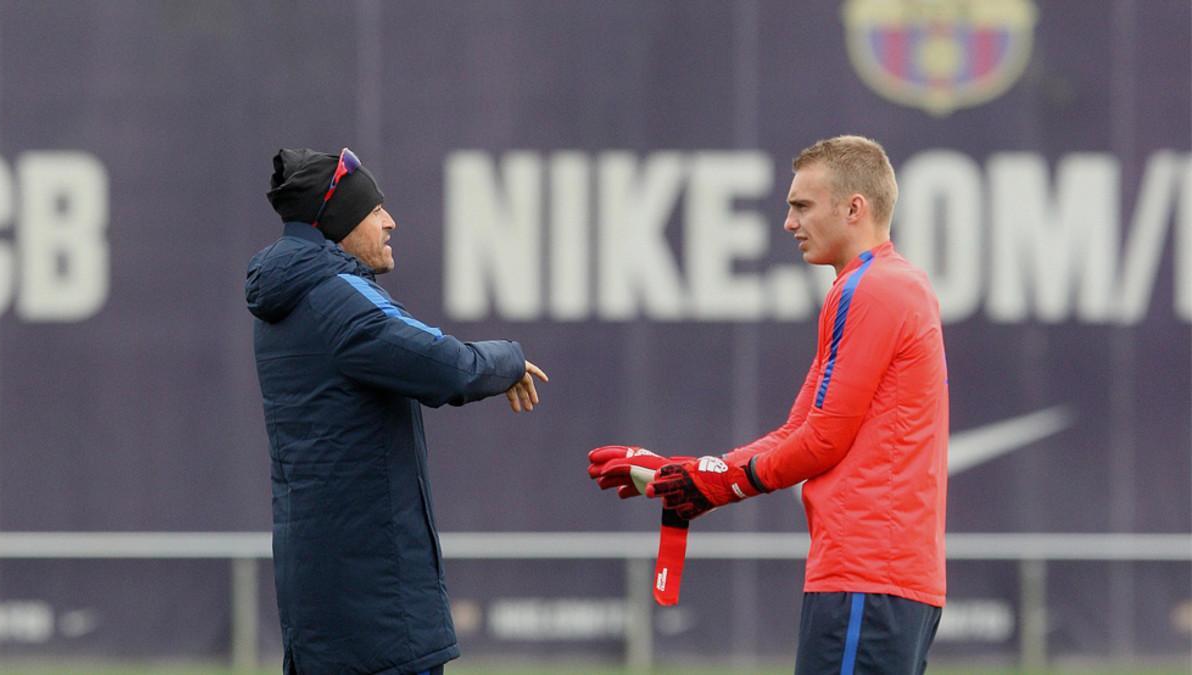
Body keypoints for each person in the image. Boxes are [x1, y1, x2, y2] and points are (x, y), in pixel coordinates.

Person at [589, 136, 947, 674]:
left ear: (854, 208)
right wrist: (691, 475)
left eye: (801, 205)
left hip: (866, 576)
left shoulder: (871, 289)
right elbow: (798, 429)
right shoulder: (881, 284)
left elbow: (823, 440)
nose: (789, 222)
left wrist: (715, 484)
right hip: (878, 576)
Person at [246, 147, 547, 675]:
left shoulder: (293, 297)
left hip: (328, 595)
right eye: (373, 210)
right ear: (337, 222)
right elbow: (449, 367)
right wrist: (510, 357)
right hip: (374, 608)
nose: (390, 221)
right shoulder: (337, 298)